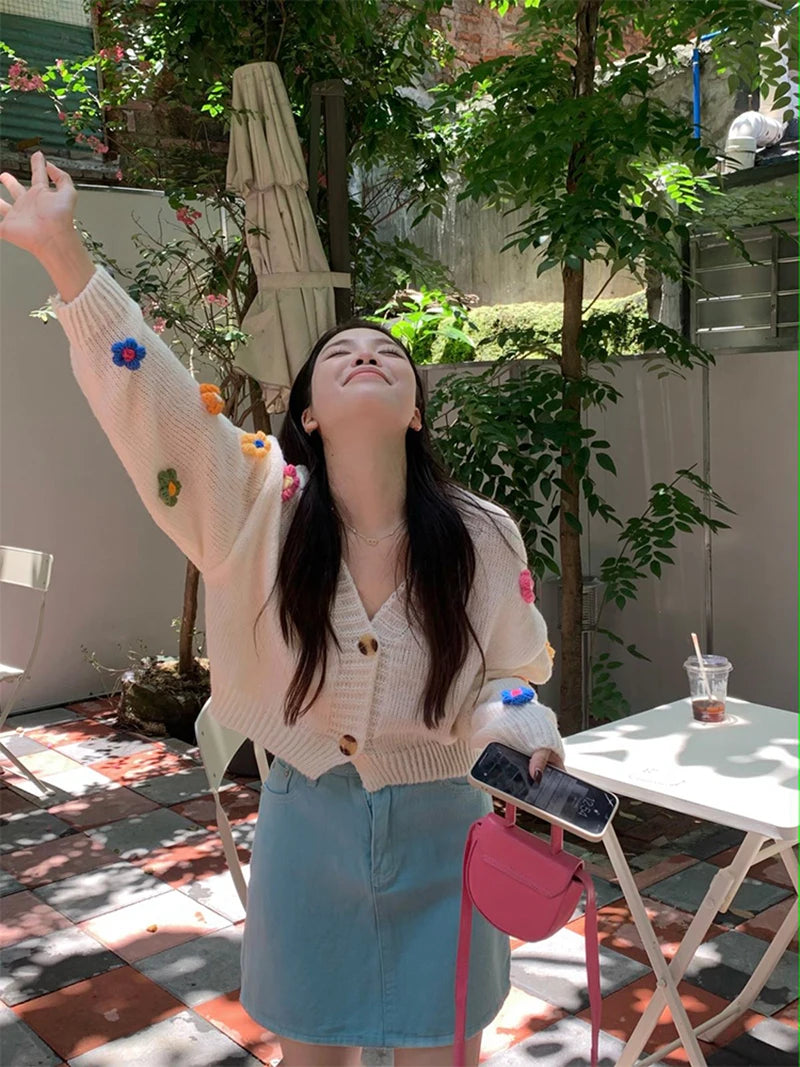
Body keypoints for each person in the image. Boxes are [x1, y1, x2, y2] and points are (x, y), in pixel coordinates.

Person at [0, 151, 565, 1067]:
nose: (367, 354)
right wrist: (66, 257)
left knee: (444, 1052)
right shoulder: (253, 503)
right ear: (307, 413)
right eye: (341, 353)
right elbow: (161, 405)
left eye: (389, 353)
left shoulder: (484, 535)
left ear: (416, 412)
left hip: (446, 828)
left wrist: (518, 724)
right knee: (313, 1056)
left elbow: (510, 670)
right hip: (308, 824)